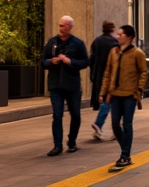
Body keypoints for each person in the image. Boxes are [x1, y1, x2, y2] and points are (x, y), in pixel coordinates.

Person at [40, 15, 89, 157]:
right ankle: (57, 145)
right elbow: (42, 61)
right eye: (60, 26)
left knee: (75, 114)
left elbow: (85, 62)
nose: (61, 28)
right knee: (57, 115)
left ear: (70, 27)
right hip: (55, 85)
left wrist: (70, 61)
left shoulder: (78, 43)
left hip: (72, 85)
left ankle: (72, 141)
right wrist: (51, 61)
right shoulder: (52, 42)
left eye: (64, 26)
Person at [102, 24, 147, 173]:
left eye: (120, 34)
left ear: (129, 37)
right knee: (115, 125)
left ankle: (125, 155)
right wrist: (103, 92)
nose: (118, 37)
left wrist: (139, 91)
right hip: (115, 95)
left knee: (127, 124)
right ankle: (126, 151)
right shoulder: (113, 52)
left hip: (129, 95)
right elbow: (107, 73)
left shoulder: (137, 53)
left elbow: (143, 72)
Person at [88, 20, 119, 142]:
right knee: (111, 102)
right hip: (112, 76)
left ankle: (102, 125)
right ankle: (103, 124)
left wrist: (93, 75)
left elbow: (92, 59)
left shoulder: (97, 41)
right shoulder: (114, 43)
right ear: (112, 29)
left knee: (107, 101)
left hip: (99, 76)